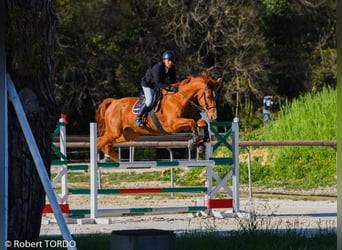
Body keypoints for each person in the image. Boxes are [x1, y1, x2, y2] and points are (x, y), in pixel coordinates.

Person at [134, 50, 179, 127]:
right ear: (164, 60)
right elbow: (158, 83)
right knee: (149, 101)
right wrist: (169, 87)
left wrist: (178, 87)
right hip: (148, 84)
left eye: (172, 61)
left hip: (157, 85)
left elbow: (173, 81)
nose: (170, 62)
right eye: (168, 60)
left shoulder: (172, 68)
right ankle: (138, 119)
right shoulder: (157, 67)